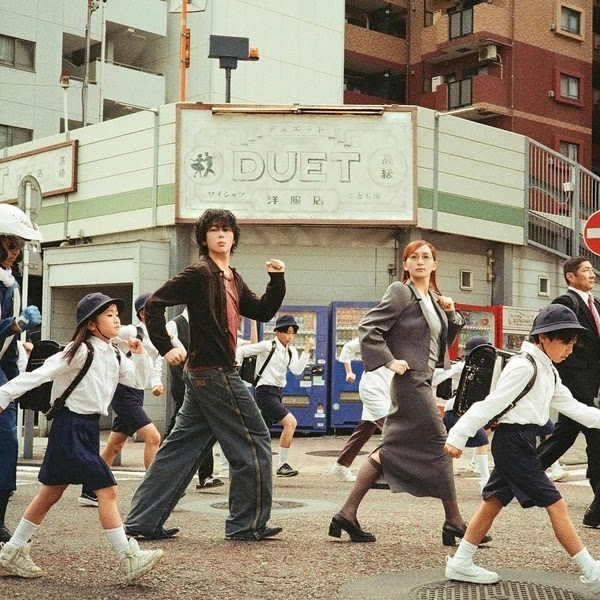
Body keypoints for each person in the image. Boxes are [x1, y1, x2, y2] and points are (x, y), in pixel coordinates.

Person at [124, 208, 286, 541]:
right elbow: (153, 304)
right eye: (213, 229)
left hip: (203, 375)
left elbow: (262, 311)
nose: (221, 234)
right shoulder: (199, 272)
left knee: (180, 449)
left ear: (234, 237)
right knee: (254, 440)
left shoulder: (232, 277)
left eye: (226, 229)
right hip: (214, 373)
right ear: (203, 237)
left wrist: (276, 279)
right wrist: (165, 346)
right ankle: (246, 524)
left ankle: (142, 521)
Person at [0, 293, 163, 583]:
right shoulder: (79, 351)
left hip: (85, 429)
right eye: (109, 315)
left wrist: (139, 355)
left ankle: (12, 550)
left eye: (117, 314)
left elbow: (139, 381)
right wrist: (4, 394)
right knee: (107, 490)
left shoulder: (115, 354)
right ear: (91, 324)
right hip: (70, 426)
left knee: (50, 493)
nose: (116, 319)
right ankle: (128, 557)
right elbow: (41, 374)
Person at [444, 304, 600, 591]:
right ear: (544, 338)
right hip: (513, 442)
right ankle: (592, 571)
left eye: (573, 343)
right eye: (565, 341)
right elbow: (490, 405)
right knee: (557, 504)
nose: (570, 349)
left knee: (493, 502)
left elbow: (576, 409)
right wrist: (457, 435)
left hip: (520, 441)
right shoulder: (524, 366)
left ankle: (461, 561)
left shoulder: (548, 370)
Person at [328, 239, 473, 545]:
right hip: (410, 382)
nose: (420, 261)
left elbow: (438, 345)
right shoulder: (401, 291)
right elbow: (369, 327)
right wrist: (390, 361)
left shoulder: (432, 298)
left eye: (426, 257)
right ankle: (454, 521)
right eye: (414, 257)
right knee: (441, 443)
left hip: (424, 379)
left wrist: (452, 315)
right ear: (405, 264)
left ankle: (346, 514)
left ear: (434, 264)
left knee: (390, 449)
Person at [79, 293, 165, 507]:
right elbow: (110, 335)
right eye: (155, 309)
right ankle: (155, 491)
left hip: (138, 391)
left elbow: (157, 363)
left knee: (115, 444)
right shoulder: (131, 331)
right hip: (123, 391)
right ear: (142, 313)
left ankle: (90, 490)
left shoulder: (159, 335)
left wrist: (156, 383)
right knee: (153, 437)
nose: (160, 313)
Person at [536, 257, 600, 527]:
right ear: (570, 277)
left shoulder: (596, 305)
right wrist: (571, 372)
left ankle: (515, 475)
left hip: (590, 382)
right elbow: (558, 341)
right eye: (586, 270)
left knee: (563, 437)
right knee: (595, 434)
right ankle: (597, 505)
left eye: (592, 270)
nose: (592, 274)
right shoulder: (565, 303)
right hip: (574, 383)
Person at [0, 205, 43, 544]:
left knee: (7, 444)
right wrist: (15, 324)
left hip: (4, 371)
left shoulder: (8, 280)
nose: (16, 252)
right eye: (11, 244)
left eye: (19, 246)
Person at [236, 314, 315, 477]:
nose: (290, 336)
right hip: (264, 392)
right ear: (278, 331)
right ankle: (282, 465)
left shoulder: (291, 351)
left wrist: (307, 350)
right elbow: (241, 350)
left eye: (292, 333)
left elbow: (297, 370)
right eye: (287, 332)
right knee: (290, 423)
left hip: (278, 393)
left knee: (261, 432)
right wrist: (235, 370)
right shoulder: (267, 346)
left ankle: (247, 462)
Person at [165, 308, 222, 489]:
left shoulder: (203, 324)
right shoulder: (174, 324)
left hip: (199, 383)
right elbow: (161, 353)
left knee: (192, 424)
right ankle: (161, 460)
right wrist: (156, 381)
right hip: (182, 383)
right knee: (183, 425)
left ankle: (205, 475)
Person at [330, 337, 392, 483]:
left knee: (364, 431)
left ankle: (341, 466)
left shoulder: (401, 337)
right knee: (392, 430)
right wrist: (349, 372)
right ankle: (378, 469)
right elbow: (348, 347)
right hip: (372, 389)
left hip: (387, 391)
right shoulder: (373, 336)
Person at [434, 335, 491, 492]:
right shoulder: (465, 367)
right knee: (480, 441)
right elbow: (437, 376)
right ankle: (485, 480)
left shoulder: (471, 367)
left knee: (446, 445)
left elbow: (436, 377)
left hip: (461, 411)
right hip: (457, 411)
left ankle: (441, 478)